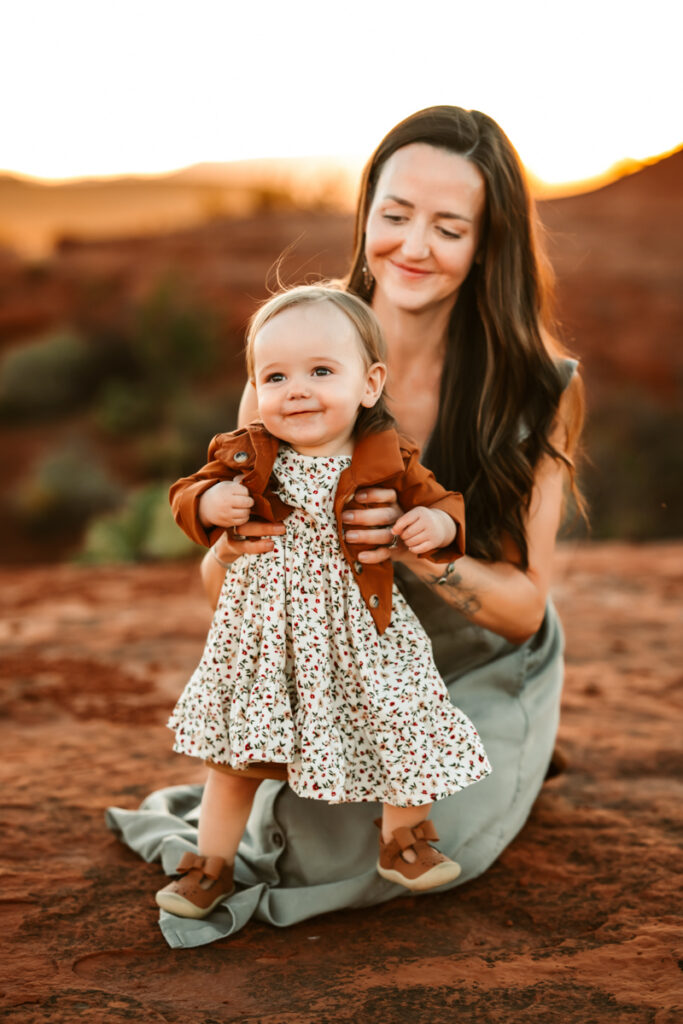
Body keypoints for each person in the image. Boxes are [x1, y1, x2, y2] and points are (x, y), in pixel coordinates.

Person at [107, 105, 584, 947]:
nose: (412, 245)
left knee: (414, 855)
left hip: (476, 656)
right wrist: (229, 538)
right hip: (324, 652)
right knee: (296, 842)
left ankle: (506, 742)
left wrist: (413, 549)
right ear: (366, 215)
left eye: (448, 226)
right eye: (394, 215)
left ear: (487, 244)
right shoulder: (295, 357)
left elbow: (522, 609)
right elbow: (220, 579)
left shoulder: (536, 385)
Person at [155, 284, 491, 919]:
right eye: (275, 376)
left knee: (404, 723)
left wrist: (439, 528)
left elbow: (445, 504)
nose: (297, 389)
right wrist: (206, 505)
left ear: (369, 384)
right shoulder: (246, 454)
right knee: (234, 758)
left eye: (320, 371)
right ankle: (211, 866)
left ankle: (403, 839)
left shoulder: (387, 457)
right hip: (267, 636)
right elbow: (184, 492)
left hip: (362, 631)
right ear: (255, 389)